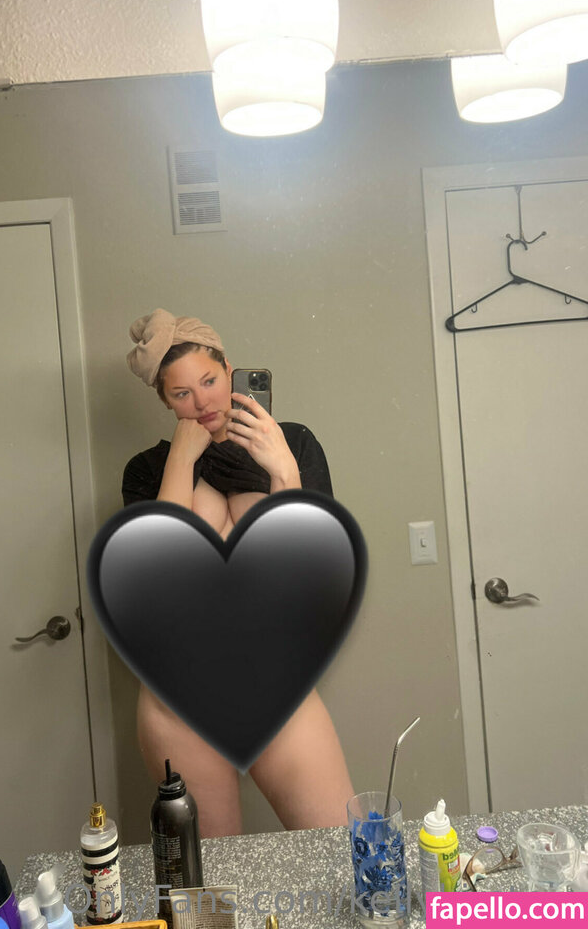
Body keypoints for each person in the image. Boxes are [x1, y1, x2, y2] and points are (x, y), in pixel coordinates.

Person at [123, 308, 353, 838]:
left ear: (230, 370)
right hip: (178, 701)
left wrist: (282, 468)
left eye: (209, 381)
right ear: (165, 401)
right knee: (210, 881)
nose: (202, 402)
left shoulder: (292, 442)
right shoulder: (146, 471)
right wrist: (181, 462)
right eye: (182, 393)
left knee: (339, 850)